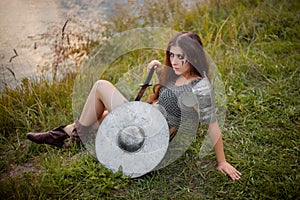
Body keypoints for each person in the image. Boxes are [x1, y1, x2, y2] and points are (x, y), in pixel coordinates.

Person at [27, 31, 242, 181]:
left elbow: (212, 125)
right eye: (172, 55)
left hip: (151, 134)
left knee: (101, 87)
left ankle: (70, 137)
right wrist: (160, 70)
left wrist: (221, 162)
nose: (174, 61)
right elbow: (171, 95)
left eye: (181, 57)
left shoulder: (199, 88)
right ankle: (65, 135)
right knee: (101, 115)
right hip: (146, 119)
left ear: (193, 57)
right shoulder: (178, 74)